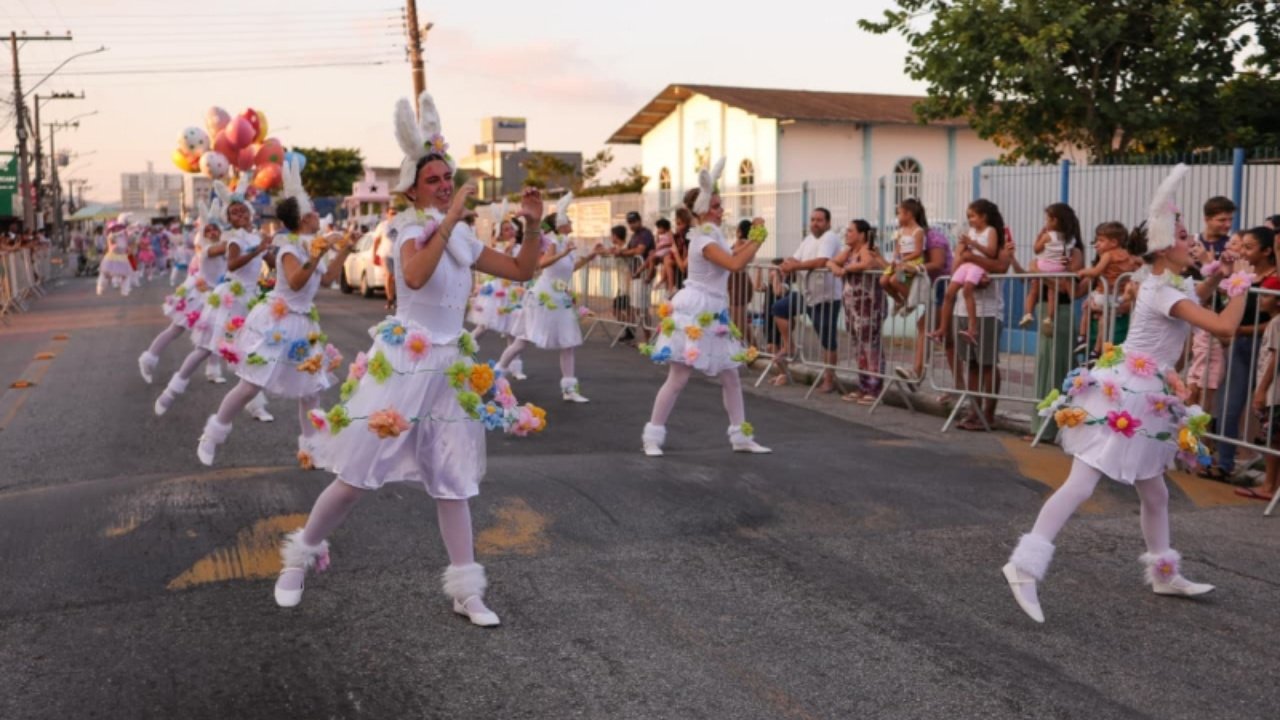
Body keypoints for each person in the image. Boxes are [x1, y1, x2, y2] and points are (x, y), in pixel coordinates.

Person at [272, 92, 547, 626]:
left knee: (452, 481)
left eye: (449, 178)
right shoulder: (404, 229)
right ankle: (300, 556)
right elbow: (415, 276)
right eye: (435, 181)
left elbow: (520, 271)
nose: (446, 186)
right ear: (413, 189)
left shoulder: (462, 235)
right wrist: (450, 221)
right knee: (356, 476)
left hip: (450, 367)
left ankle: (467, 589)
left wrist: (533, 224)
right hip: (403, 363)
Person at [1003, 165, 1249, 624]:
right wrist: (1241, 283)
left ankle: (1163, 571)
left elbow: (1195, 291)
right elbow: (1224, 327)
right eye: (1182, 234)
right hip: (1128, 397)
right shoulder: (1159, 290)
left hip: (1144, 392)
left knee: (1154, 493)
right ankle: (1024, 566)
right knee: (1081, 485)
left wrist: (1217, 277)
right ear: (1162, 248)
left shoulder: (1171, 283)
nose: (1190, 239)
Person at [195, 159, 354, 467]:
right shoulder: (289, 248)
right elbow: (296, 281)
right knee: (250, 386)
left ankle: (313, 450)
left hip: (303, 323)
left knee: (311, 392)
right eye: (313, 212)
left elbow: (328, 278)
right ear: (304, 219)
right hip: (277, 321)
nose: (318, 216)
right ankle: (212, 436)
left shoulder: (310, 244)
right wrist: (320, 251)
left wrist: (345, 248)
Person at [640, 157, 770, 456]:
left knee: (731, 376)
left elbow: (734, 254)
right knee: (679, 378)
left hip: (714, 308)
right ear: (701, 211)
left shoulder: (713, 235)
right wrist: (758, 238)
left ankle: (740, 436)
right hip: (696, 309)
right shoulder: (702, 240)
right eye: (715, 206)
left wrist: (751, 239)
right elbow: (736, 264)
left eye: (720, 204)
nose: (721, 209)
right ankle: (653, 436)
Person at [153, 179, 273, 420]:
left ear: (250, 213)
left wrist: (272, 269)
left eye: (242, 210)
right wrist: (258, 251)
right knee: (206, 349)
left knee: (250, 351)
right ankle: (171, 390)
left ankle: (256, 405)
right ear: (229, 219)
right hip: (231, 297)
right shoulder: (234, 239)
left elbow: (268, 262)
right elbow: (232, 263)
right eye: (233, 212)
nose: (239, 214)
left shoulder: (257, 236)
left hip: (250, 299)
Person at [495, 194, 601, 402]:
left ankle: (569, 389)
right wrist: (562, 254)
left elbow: (569, 269)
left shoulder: (567, 243)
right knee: (521, 341)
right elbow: (542, 264)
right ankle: (497, 374)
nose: (571, 222)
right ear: (560, 224)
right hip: (542, 297)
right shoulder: (553, 242)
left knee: (568, 342)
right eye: (568, 220)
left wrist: (589, 256)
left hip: (559, 297)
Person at [1202, 225, 1277, 482]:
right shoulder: (1240, 275)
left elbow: (1275, 324)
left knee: (1268, 408)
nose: (1241, 251)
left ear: (1267, 251)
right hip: (1240, 347)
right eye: (1241, 245)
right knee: (1229, 406)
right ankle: (1224, 463)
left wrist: (1241, 329)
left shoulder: (1274, 279)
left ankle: (1270, 476)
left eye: (1248, 247)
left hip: (1268, 349)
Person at [139, 200, 224, 385]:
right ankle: (149, 358)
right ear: (202, 233)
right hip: (199, 293)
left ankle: (213, 369)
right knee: (176, 329)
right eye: (208, 230)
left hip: (217, 293)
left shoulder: (223, 246)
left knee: (215, 330)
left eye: (215, 229)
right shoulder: (207, 248)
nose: (212, 233)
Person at [770, 208, 842, 392]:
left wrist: (795, 266)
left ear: (828, 223)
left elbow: (820, 261)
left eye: (819, 220)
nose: (815, 223)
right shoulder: (808, 239)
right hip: (806, 294)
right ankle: (789, 346)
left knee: (827, 339)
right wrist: (787, 263)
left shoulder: (830, 237)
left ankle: (829, 379)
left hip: (826, 298)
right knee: (779, 308)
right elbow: (796, 256)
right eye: (812, 219)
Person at [931, 200, 1006, 344]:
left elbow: (991, 252)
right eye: (968, 217)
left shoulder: (991, 231)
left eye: (973, 216)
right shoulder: (971, 232)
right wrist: (965, 247)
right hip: (967, 264)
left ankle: (972, 328)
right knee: (949, 293)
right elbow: (961, 255)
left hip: (978, 265)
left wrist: (973, 244)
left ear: (983, 217)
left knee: (967, 290)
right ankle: (942, 329)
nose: (969, 220)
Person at [830, 219, 887, 403]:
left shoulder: (867, 249)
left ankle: (874, 387)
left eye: (851, 231)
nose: (847, 234)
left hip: (868, 305)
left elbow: (867, 264)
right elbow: (830, 262)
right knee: (858, 346)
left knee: (870, 346)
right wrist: (836, 267)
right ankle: (862, 385)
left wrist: (845, 269)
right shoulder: (849, 250)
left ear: (862, 235)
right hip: (852, 306)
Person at [1077, 221, 1142, 358]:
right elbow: (1140, 266)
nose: (1097, 244)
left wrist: (1083, 272)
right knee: (1103, 319)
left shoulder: (1108, 255)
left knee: (1086, 307)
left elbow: (1096, 271)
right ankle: (1096, 349)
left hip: (1104, 295)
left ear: (1113, 242)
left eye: (1100, 240)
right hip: (1118, 296)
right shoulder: (1129, 256)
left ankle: (1082, 336)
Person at [1019, 207, 1082, 330]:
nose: (1045, 222)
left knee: (1033, 291)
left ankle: (1027, 313)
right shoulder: (1069, 239)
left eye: (1047, 219)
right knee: (1052, 293)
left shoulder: (1048, 236)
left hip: (1044, 266)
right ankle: (1049, 317)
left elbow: (1036, 249)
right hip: (1059, 269)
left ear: (1054, 221)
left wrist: (1039, 238)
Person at [1247, 276, 1280, 502]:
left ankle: (1269, 485)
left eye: (1266, 295)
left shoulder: (1277, 323)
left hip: (1274, 392)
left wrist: (1261, 390)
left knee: (1273, 439)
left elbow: (1276, 358)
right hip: (1272, 391)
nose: (1260, 299)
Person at [880, 199, 929, 314]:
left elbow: (918, 252)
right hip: (900, 262)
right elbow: (897, 248)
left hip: (912, 262)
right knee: (883, 281)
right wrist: (895, 259)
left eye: (899, 213)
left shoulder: (918, 231)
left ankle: (911, 302)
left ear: (908, 214)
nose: (897, 216)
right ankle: (899, 301)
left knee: (895, 280)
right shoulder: (900, 231)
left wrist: (903, 260)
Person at [727, 219, 755, 337]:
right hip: (742, 279)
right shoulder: (749, 244)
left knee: (738, 321)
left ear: (740, 230)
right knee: (741, 320)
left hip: (737, 281)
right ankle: (754, 348)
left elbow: (731, 254)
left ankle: (746, 348)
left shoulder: (740, 243)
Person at [97, 220, 134, 296]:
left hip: (122, 257)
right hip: (112, 257)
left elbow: (129, 243)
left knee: (125, 275)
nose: (118, 229)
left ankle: (125, 290)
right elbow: (112, 242)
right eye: (115, 228)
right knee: (106, 274)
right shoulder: (111, 236)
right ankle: (100, 287)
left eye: (119, 227)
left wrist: (130, 234)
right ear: (112, 229)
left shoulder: (124, 236)